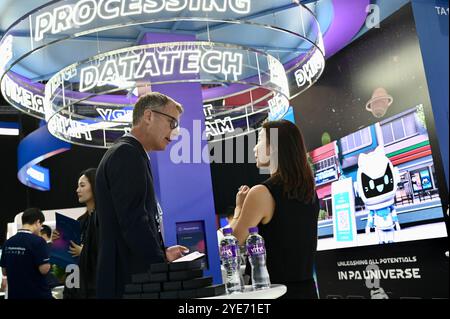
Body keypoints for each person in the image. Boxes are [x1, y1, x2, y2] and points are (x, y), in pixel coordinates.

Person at [96, 92, 189, 298]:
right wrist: (159, 263)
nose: (175, 133)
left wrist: (161, 253)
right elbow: (134, 222)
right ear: (148, 116)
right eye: (172, 122)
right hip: (128, 282)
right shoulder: (127, 154)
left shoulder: (132, 153)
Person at [229, 120, 319, 299]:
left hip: (273, 292)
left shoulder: (262, 193)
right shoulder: (309, 192)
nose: (255, 148)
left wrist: (239, 207)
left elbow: (234, 241)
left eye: (260, 140)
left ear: (273, 148)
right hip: (307, 290)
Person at [54, 168, 99, 299]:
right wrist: (59, 243)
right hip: (74, 286)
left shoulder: (103, 220)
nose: (77, 190)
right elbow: (63, 268)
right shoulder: (79, 222)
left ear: (95, 186)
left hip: (94, 288)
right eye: (78, 186)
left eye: (82, 185)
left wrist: (84, 252)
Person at [0, 208, 52, 299]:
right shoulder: (38, 241)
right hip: (36, 294)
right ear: (37, 222)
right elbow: (44, 269)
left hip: (15, 294)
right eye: (41, 225)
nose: (40, 228)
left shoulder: (8, 242)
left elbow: (4, 271)